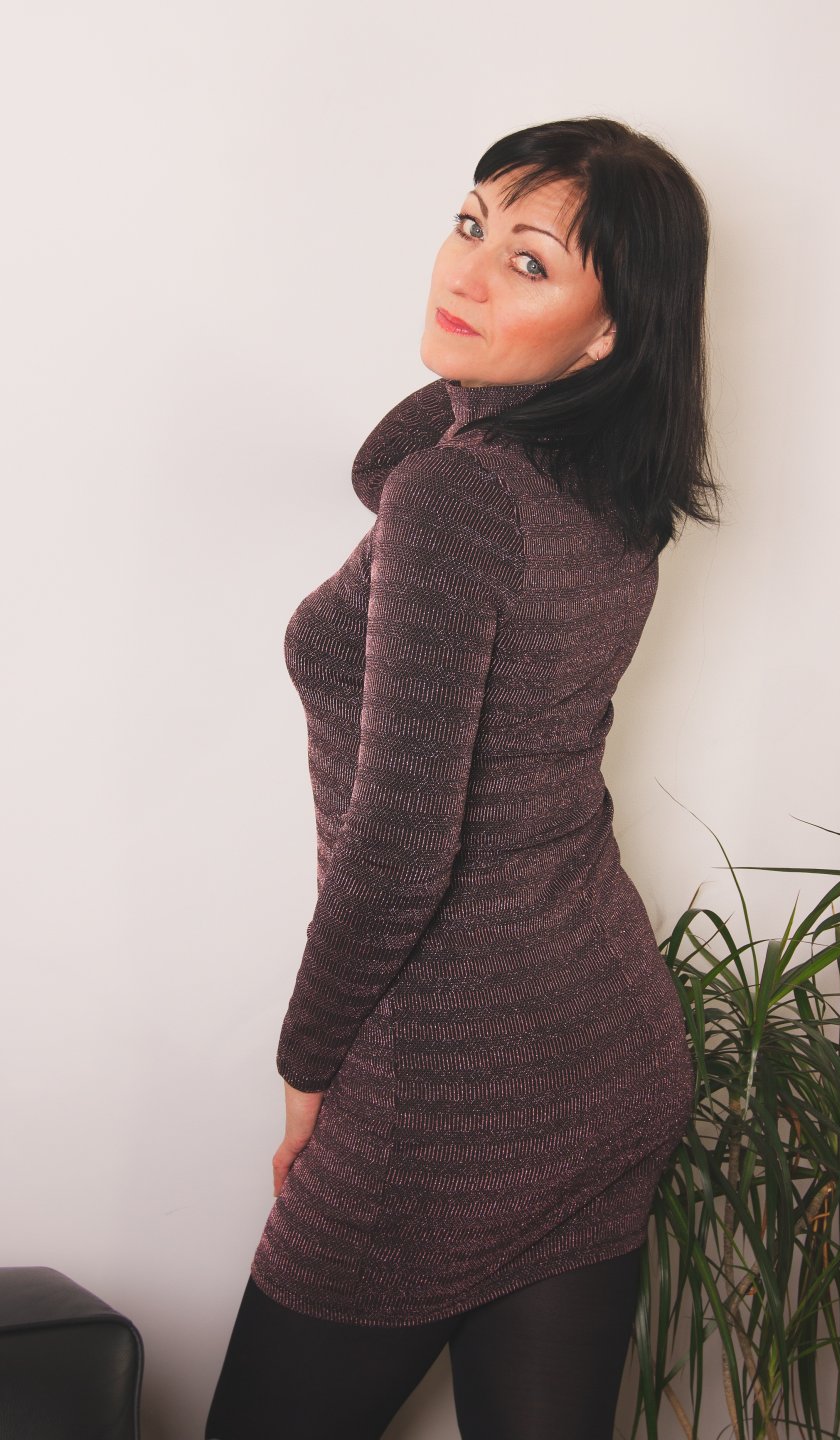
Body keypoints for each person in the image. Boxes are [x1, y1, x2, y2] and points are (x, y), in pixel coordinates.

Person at [205, 114, 719, 1440]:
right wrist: (497, 358)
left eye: (530, 261)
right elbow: (376, 470)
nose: (467, 270)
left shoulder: (464, 499)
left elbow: (400, 845)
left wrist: (308, 1064)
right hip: (605, 1050)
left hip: (446, 1080)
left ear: (608, 338)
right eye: (471, 222)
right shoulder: (605, 490)